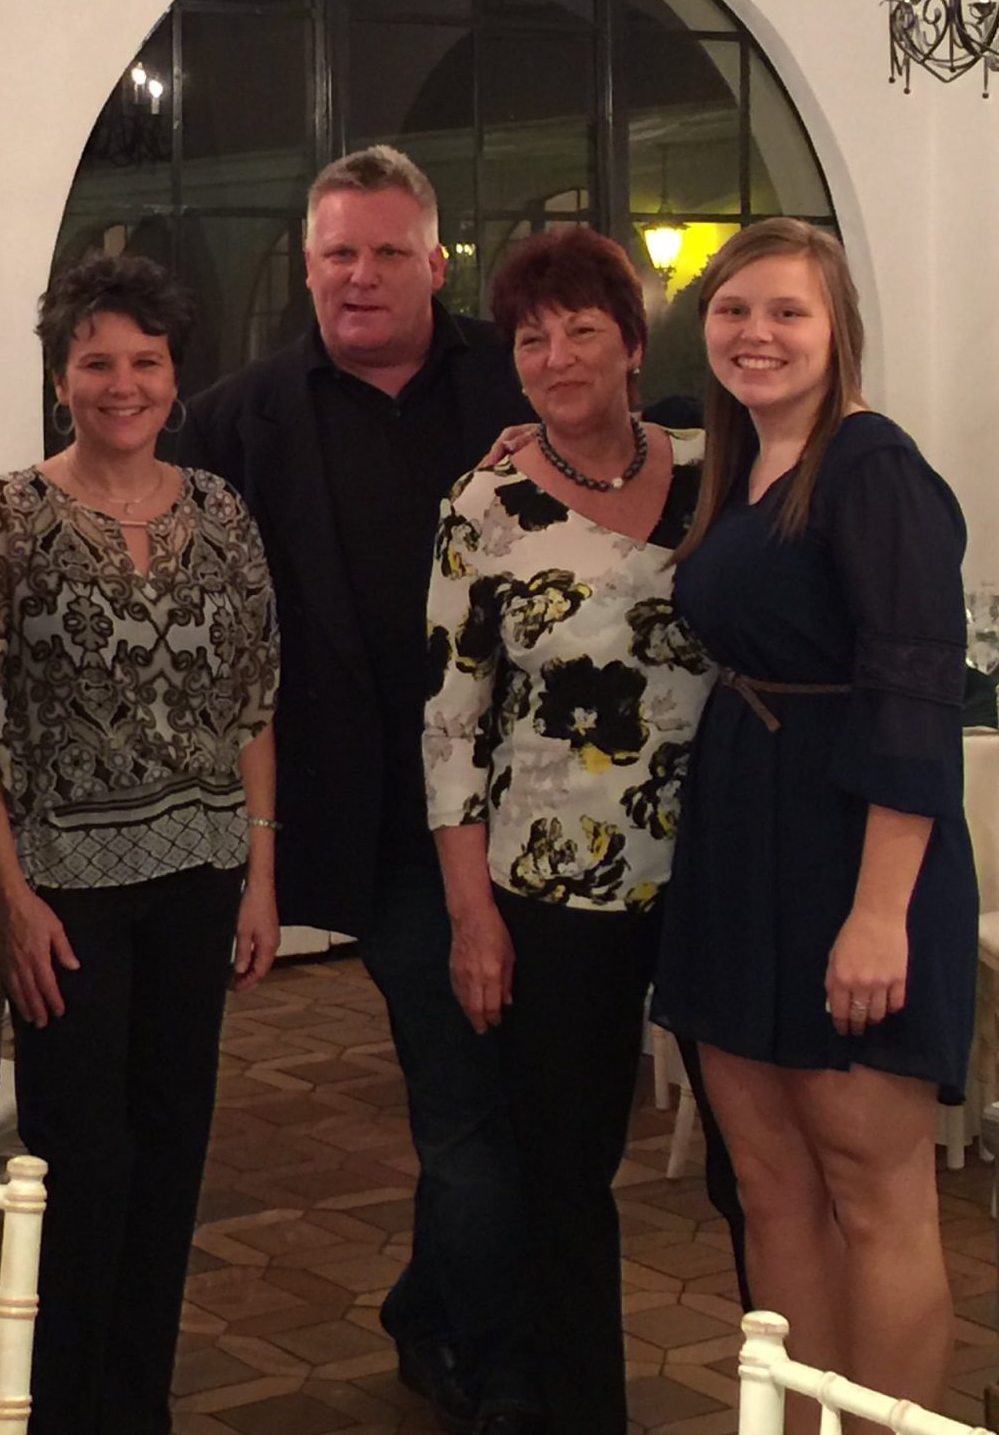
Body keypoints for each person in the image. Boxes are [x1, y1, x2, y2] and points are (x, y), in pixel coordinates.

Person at [181, 146, 536, 1433]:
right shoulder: (233, 422)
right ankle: (488, 1364)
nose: (361, 275)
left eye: (388, 252)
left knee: (522, 1097)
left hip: (544, 810)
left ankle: (436, 1312)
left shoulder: (520, 380)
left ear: (436, 263)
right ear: (308, 264)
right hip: (378, 822)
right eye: (339, 252)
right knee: (464, 1095)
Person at [655, 216, 976, 1416]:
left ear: (838, 330)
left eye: (787, 311)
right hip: (742, 840)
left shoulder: (871, 467)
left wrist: (878, 916)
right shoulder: (736, 469)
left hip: (853, 849)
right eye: (734, 311)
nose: (757, 334)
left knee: (874, 1195)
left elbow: (916, 696)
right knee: (772, 1187)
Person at [0, 253, 282, 1434]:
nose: (122, 383)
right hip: (65, 895)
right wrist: (9, 895)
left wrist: (261, 874)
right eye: (96, 361)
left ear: (174, 375)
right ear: (60, 379)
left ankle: (136, 1405)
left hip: (201, 877)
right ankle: (63, 1410)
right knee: (79, 1161)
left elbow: (255, 701)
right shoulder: (7, 517)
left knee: (170, 1148)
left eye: (144, 361)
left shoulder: (221, 512)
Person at [424, 226, 710, 1434]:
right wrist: (471, 916)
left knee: (756, 1166)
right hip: (549, 886)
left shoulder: (719, 469)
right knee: (562, 1174)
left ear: (633, 344)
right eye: (532, 338)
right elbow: (449, 722)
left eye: (582, 330)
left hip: (717, 874)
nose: (556, 357)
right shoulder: (482, 505)